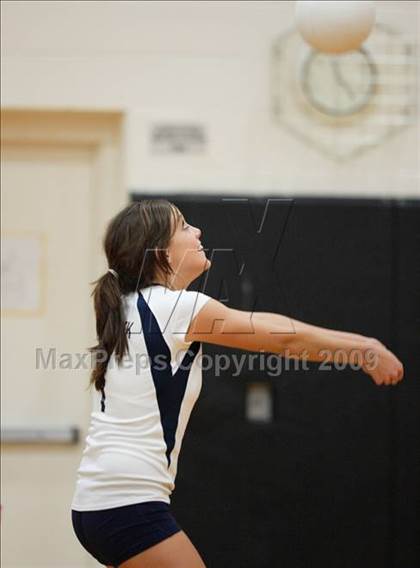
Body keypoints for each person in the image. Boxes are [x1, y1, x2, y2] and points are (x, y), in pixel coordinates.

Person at [70, 199, 404, 568]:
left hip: (93, 505)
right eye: (183, 227)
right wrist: (364, 349)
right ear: (160, 251)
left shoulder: (127, 305)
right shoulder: (174, 307)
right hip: (128, 505)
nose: (197, 232)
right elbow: (283, 338)